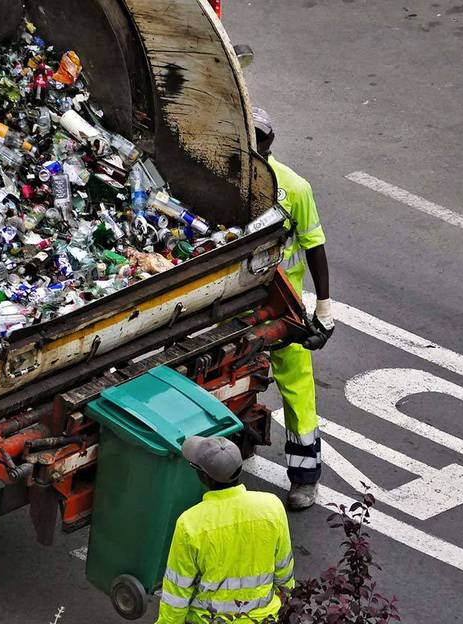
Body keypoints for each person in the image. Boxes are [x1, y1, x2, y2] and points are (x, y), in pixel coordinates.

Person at [252, 106, 335, 510]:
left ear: (271, 140)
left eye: (260, 135)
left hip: (282, 305)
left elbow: (314, 246)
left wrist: (324, 308)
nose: (254, 141)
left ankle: (305, 478)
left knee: (297, 390)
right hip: (234, 301)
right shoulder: (223, 177)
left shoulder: (294, 188)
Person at [156, 436, 295, 624]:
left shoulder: (190, 524)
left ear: (204, 476)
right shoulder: (272, 507)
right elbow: (284, 570)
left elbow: (177, 591)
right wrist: (285, 604)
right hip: (265, 618)